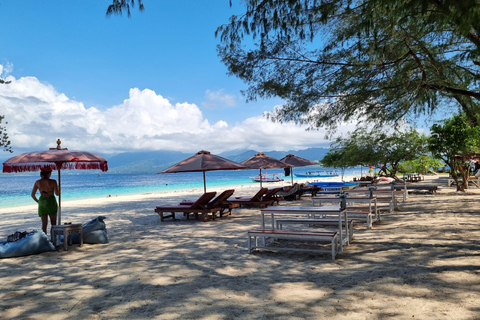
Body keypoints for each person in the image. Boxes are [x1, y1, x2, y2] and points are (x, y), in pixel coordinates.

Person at [31, 169, 59, 234]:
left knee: (44, 224)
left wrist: (38, 201)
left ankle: (44, 240)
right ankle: (53, 239)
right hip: (51, 201)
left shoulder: (37, 182)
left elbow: (32, 195)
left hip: (42, 202)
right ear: (49, 174)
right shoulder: (53, 181)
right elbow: (57, 194)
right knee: (54, 224)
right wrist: (59, 187)